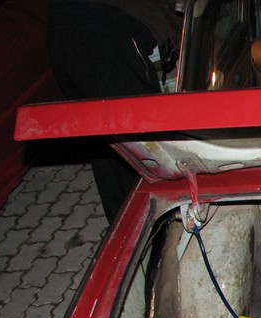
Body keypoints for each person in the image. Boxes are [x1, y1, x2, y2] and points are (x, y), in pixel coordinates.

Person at [48, 0, 181, 223]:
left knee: (107, 140)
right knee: (141, 140)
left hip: (77, 24)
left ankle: (130, 221)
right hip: (102, 30)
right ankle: (150, 225)